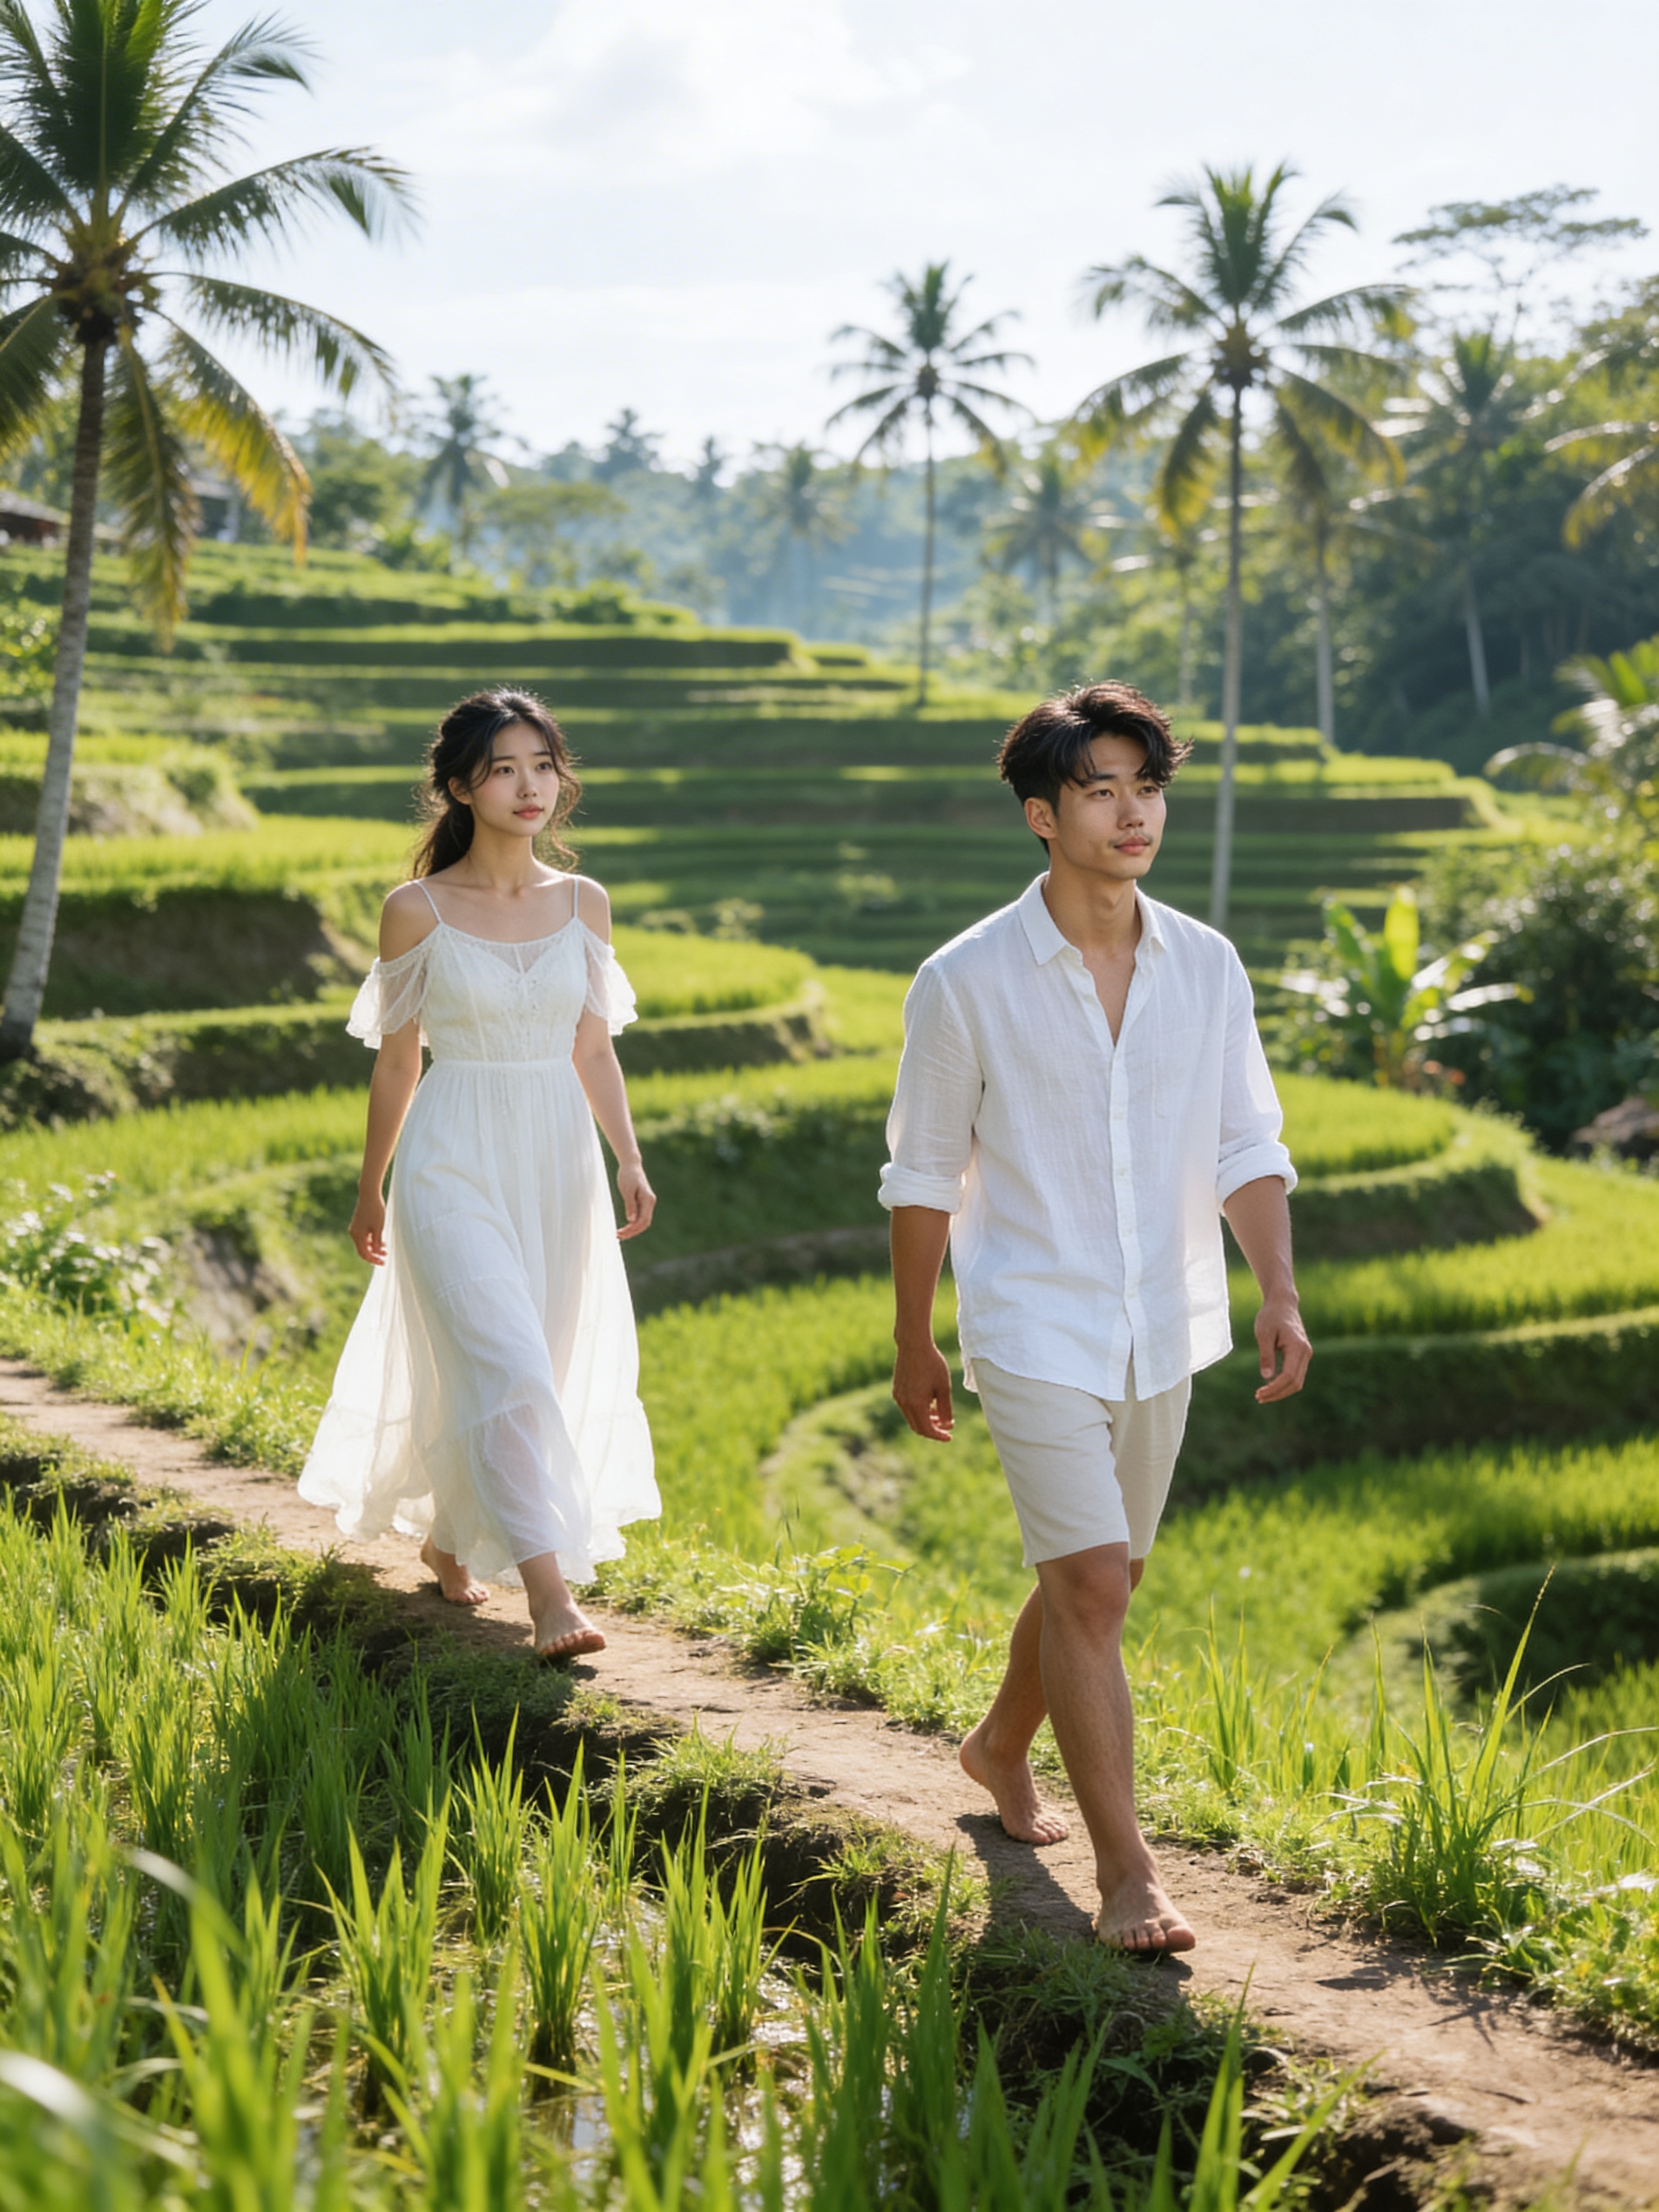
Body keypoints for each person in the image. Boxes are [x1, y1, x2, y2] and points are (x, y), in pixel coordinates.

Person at [880, 680, 1310, 1952]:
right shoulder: (964, 980)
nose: (1135, 813)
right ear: (1041, 814)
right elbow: (920, 1174)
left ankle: (999, 1743)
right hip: (1030, 1319)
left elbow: (1247, 1141)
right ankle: (1130, 1872)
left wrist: (1278, 1284)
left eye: (1149, 787)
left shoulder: (1207, 964)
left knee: (1109, 1575)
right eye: (1103, 790)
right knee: (1089, 1587)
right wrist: (916, 1336)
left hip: (1165, 1315)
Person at [299, 687, 660, 1661]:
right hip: (450, 1155)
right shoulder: (413, 911)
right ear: (461, 787)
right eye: (504, 768)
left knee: (524, 1363)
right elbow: (398, 1060)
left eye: (543, 764)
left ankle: (450, 1534)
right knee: (503, 1362)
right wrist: (371, 1185)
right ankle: (549, 1600)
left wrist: (627, 1154)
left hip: (555, 1159)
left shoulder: (584, 902)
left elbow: (594, 1050)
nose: (530, 785)